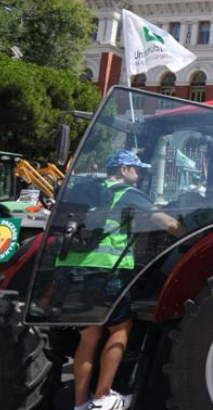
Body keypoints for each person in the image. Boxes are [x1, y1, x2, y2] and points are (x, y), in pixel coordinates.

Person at [57, 150, 163, 410]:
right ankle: (103, 397)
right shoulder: (127, 193)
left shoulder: (84, 189)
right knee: (120, 328)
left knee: (89, 336)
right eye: (135, 169)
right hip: (105, 272)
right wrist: (190, 235)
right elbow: (165, 221)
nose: (138, 175)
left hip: (71, 269)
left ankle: (81, 404)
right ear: (123, 169)